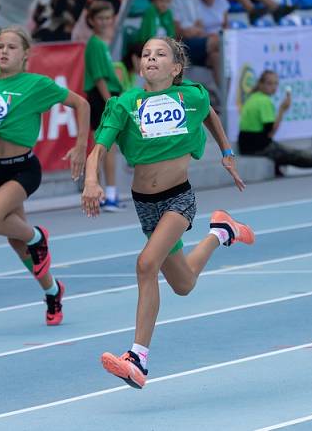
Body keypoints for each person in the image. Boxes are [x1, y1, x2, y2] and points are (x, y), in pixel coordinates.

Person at [82, 36, 254, 389]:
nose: (151, 58)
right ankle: (222, 231)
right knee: (183, 284)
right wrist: (91, 181)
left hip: (179, 198)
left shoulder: (191, 95)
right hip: (145, 205)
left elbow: (210, 114)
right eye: (146, 54)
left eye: (160, 54)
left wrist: (227, 151)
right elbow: (98, 148)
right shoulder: (126, 103)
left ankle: (138, 358)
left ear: (175, 68)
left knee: (146, 264)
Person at [0, 26, 90, 325]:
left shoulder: (36, 85)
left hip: (23, 169)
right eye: (0, 46)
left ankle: (38, 236)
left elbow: (81, 103)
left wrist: (81, 146)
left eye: (11, 47)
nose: (4, 51)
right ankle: (53, 292)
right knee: (17, 244)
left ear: (26, 54)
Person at [238, 69, 312, 176]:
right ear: (261, 84)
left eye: (276, 83)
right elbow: (270, 133)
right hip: (257, 147)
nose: (274, 87)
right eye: (269, 83)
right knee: (296, 155)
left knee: (287, 151)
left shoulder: (253, 97)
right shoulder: (264, 101)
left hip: (246, 144)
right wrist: (282, 110)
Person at [85, 0, 125, 212]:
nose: (105, 22)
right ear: (91, 20)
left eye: (108, 18)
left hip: (108, 96)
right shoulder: (95, 44)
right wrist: (111, 101)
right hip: (103, 98)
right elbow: (100, 78)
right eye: (100, 18)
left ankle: (107, 194)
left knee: (107, 147)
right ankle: (106, 194)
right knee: (105, 147)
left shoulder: (102, 43)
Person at [171, 0, 221, 81]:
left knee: (216, 57)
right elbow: (179, 32)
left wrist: (193, 30)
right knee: (220, 41)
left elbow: (200, 26)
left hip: (194, 43)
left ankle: (226, 97)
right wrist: (194, 31)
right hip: (179, 45)